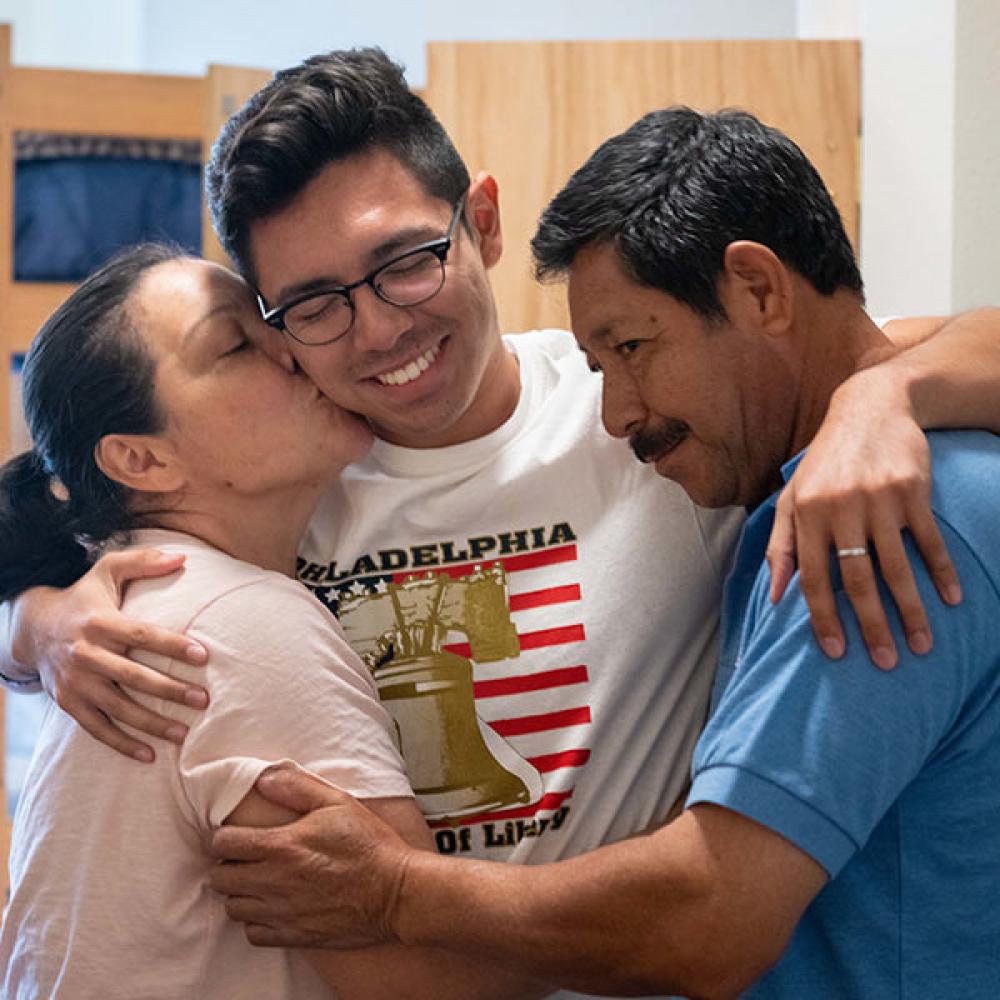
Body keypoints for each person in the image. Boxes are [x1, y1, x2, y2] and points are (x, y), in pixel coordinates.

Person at [1, 51, 999, 995]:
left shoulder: (643, 401)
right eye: (313, 304)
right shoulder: (284, 479)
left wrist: (884, 395)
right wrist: (36, 626)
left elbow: (848, 345)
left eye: (405, 262)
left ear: (479, 222)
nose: (379, 328)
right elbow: (66, 516)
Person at [0, 245, 548, 999]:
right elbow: (429, 984)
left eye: (273, 321)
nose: (292, 349)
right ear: (142, 460)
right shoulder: (239, 625)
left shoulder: (149, 599)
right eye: (234, 345)